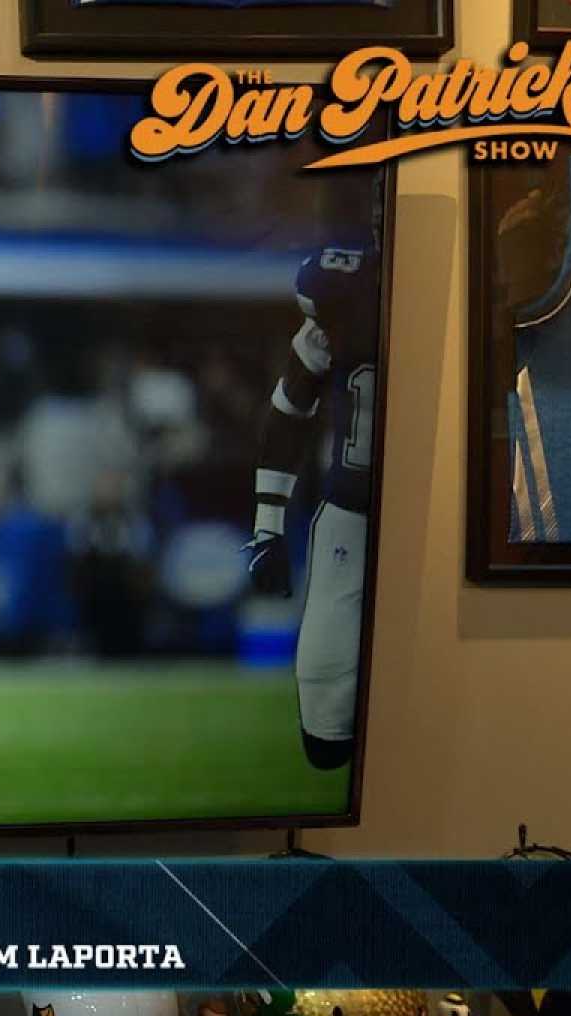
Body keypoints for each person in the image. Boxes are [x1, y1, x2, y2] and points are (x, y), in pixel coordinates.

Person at [244, 177, 383, 772]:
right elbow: (288, 409)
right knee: (324, 745)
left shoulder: (466, 288)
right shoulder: (341, 292)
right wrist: (267, 526)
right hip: (352, 511)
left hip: (437, 523)